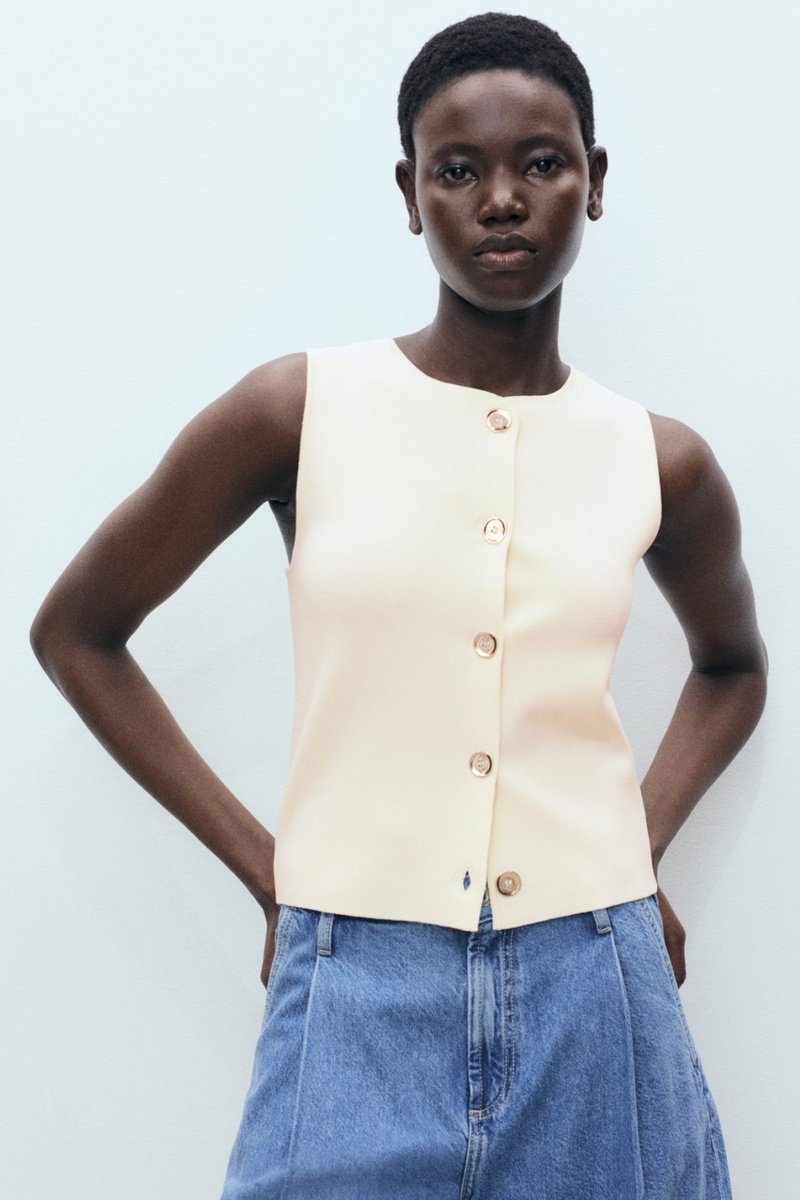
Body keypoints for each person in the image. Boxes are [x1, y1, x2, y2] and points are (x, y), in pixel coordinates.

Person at [30, 11, 767, 1199]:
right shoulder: (296, 410)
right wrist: (270, 874)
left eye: (540, 162)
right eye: (455, 170)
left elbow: (732, 667)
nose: (500, 201)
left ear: (593, 180)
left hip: (596, 976)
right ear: (408, 193)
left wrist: (637, 845)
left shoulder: (655, 458)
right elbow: (77, 632)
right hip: (352, 981)